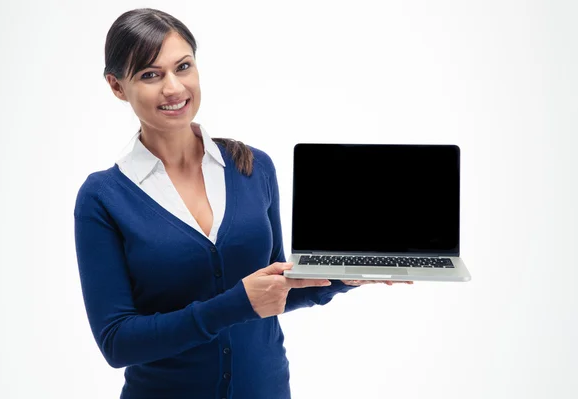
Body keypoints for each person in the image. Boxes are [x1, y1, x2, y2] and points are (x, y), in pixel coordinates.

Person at [73, 8, 411, 399]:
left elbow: (281, 285)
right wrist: (235, 304)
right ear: (117, 86)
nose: (173, 88)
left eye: (183, 67)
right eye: (150, 74)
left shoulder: (253, 168)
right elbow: (117, 342)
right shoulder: (103, 198)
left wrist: (344, 275)